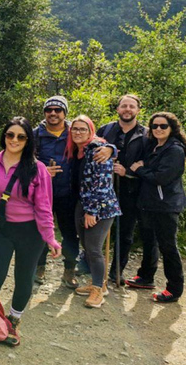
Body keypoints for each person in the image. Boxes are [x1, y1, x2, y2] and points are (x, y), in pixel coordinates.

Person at [0, 117, 61, 355]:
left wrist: (50, 238)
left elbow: (44, 207)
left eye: (21, 137)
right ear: (4, 136)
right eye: (10, 135)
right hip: (1, 229)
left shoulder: (37, 169)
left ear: (28, 140)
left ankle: (13, 322)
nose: (14, 140)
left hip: (30, 232)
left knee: (24, 279)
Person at [33, 96, 112, 286]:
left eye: (58, 110)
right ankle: (39, 267)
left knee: (69, 234)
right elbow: (26, 157)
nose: (53, 113)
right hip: (42, 193)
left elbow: (95, 141)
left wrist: (110, 148)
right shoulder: (35, 134)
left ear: (65, 113)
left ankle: (69, 270)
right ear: (44, 112)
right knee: (40, 231)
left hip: (69, 193)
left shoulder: (74, 132)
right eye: (49, 109)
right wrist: (41, 169)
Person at [127, 112, 186, 303]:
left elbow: (161, 178)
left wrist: (139, 169)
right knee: (149, 241)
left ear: (172, 128)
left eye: (163, 126)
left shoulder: (174, 150)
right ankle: (146, 277)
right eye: (155, 126)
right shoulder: (154, 146)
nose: (158, 129)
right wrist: (143, 169)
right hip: (149, 203)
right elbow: (151, 172)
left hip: (166, 205)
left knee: (168, 246)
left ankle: (174, 289)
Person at [66, 115, 121, 308]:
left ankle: (99, 288)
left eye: (83, 129)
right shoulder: (78, 151)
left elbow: (103, 185)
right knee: (87, 246)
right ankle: (96, 283)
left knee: (94, 248)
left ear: (91, 131)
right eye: (75, 129)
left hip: (101, 207)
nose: (78, 132)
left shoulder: (98, 150)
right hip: (83, 203)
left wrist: (92, 212)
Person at [97, 94, 149, 284]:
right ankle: (93, 267)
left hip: (131, 190)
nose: (128, 109)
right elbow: (93, 150)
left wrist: (127, 171)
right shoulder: (106, 130)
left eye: (132, 106)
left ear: (138, 110)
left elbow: (150, 162)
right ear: (118, 109)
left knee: (125, 233)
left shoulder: (147, 134)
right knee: (96, 229)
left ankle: (116, 271)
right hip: (104, 189)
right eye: (124, 106)